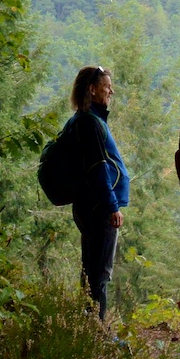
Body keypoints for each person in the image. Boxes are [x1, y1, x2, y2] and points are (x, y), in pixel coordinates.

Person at [68, 65, 130, 322]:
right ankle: (96, 332)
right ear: (92, 90)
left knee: (90, 269)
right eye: (107, 87)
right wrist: (112, 206)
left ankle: (87, 325)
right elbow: (98, 168)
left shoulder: (80, 121)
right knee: (99, 274)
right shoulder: (90, 123)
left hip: (87, 206)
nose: (111, 91)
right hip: (99, 209)